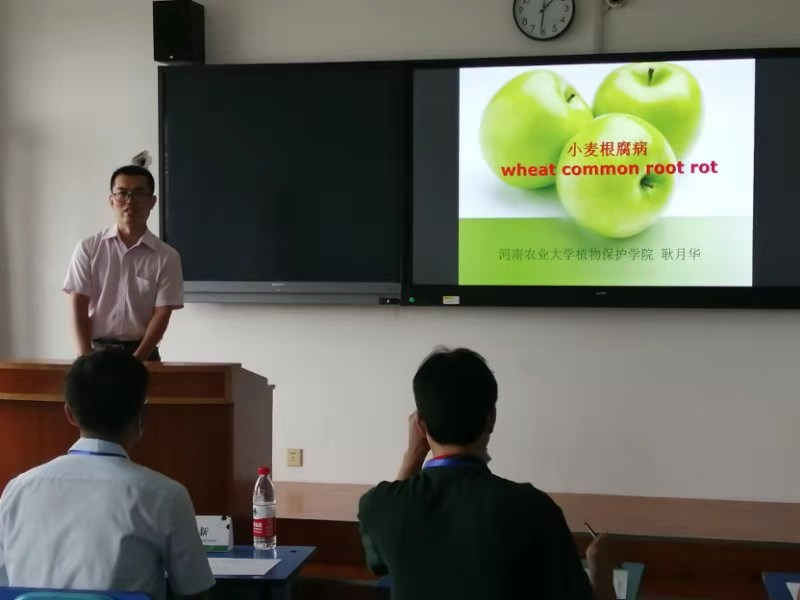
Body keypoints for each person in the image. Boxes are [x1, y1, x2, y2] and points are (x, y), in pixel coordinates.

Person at [358, 347, 617, 600]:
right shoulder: (532, 509)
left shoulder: (378, 506)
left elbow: (380, 560)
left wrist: (412, 456)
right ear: (491, 418)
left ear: (420, 425)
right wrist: (601, 568)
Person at [0, 350, 215, 600]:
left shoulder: (17, 489)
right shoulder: (166, 496)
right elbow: (194, 592)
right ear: (143, 417)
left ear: (70, 413)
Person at [63, 165, 184, 361]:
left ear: (152, 202)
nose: (129, 201)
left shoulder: (167, 256)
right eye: (122, 193)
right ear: (112, 200)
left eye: (139, 194)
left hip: (144, 355)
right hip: (96, 353)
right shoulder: (88, 248)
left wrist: (136, 361)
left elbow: (162, 313)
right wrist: (85, 359)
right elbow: (78, 302)